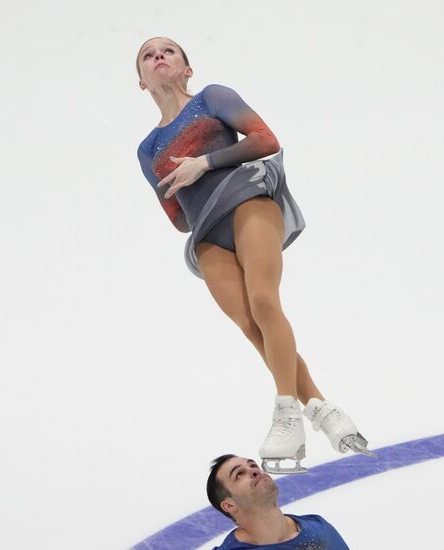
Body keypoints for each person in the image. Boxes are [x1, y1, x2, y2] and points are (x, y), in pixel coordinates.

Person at [136, 36, 375, 473]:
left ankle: (287, 412)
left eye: (168, 51)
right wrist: (182, 186)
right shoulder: (147, 149)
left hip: (247, 201)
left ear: (187, 69)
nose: (159, 57)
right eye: (149, 56)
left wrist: (202, 165)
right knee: (251, 326)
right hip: (207, 234)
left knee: (265, 301)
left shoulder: (212, 98)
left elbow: (266, 139)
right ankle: (322, 409)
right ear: (141, 82)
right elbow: (179, 219)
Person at [206, 454, 350, 549]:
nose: (254, 471)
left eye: (253, 465)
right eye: (239, 474)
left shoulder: (320, 531)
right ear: (229, 505)